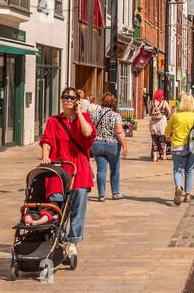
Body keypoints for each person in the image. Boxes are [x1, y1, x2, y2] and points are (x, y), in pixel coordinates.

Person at [39, 86, 95, 258]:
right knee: (57, 204)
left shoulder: (83, 117)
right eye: (66, 97)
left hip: (79, 169)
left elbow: (88, 133)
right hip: (59, 168)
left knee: (78, 206)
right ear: (61, 99)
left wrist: (79, 113)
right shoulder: (54, 121)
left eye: (72, 98)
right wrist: (46, 157)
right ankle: (58, 236)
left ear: (77, 100)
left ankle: (73, 241)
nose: (69, 100)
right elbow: (47, 140)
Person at [166, 93, 194, 206]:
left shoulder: (176, 115)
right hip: (193, 147)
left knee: (178, 170)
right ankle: (188, 195)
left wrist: (168, 136)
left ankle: (178, 187)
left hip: (178, 147)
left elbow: (167, 131)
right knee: (190, 171)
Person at [90, 91, 128, 202]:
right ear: (113, 103)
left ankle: (101, 195)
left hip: (97, 144)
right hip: (112, 145)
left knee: (101, 170)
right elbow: (119, 132)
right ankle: (115, 192)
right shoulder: (116, 115)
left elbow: (91, 129)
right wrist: (125, 146)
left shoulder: (95, 114)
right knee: (115, 168)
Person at [149, 88, 170, 161]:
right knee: (162, 139)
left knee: (154, 139)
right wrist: (167, 118)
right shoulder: (164, 102)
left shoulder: (151, 102)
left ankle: (155, 157)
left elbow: (149, 113)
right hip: (162, 123)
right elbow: (169, 112)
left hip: (153, 123)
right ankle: (163, 155)